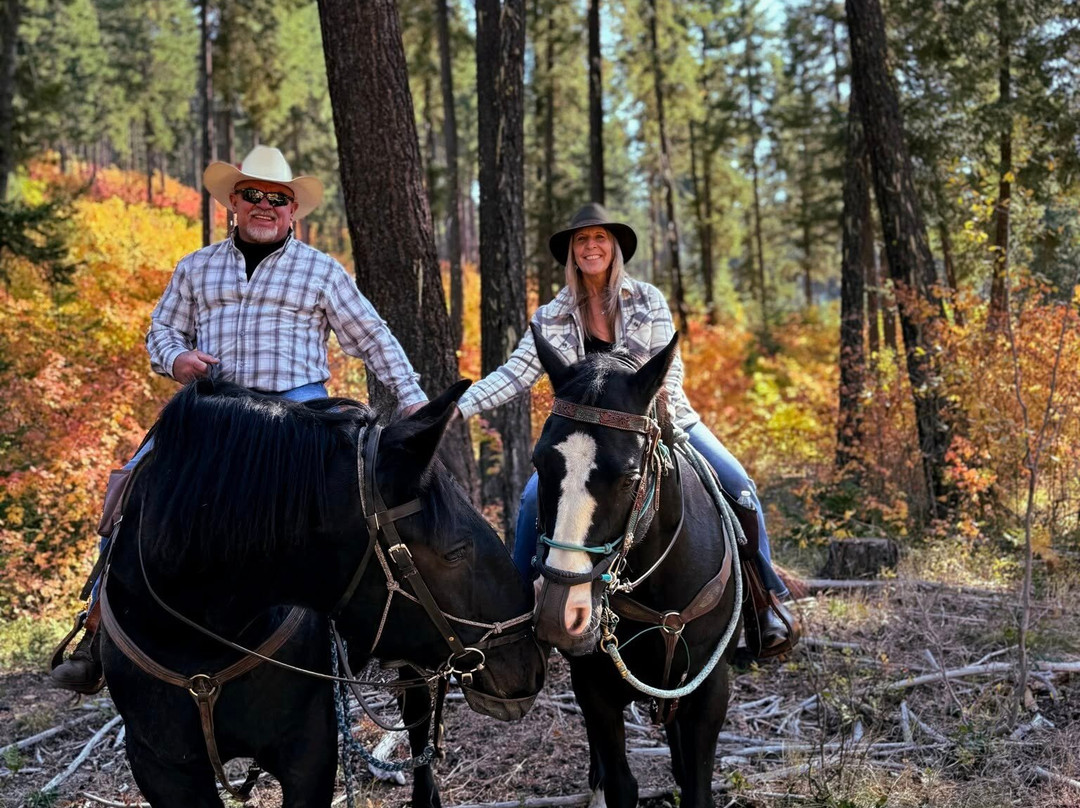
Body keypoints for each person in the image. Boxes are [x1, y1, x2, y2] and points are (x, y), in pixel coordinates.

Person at [49, 146, 428, 693]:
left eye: (277, 198)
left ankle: (366, 634)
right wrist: (177, 359)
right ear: (234, 201)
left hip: (298, 413)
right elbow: (163, 330)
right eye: (253, 194)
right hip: (215, 415)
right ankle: (96, 630)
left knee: (358, 501)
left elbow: (372, 337)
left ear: (293, 210)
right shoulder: (196, 267)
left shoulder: (322, 271)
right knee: (132, 484)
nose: (264, 205)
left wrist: (411, 397)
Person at [455, 203, 792, 651]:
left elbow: (670, 371)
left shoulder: (648, 299)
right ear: (572, 253)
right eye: (581, 240)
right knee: (533, 499)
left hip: (659, 421)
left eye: (600, 238)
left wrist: (655, 414)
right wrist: (456, 409)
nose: (590, 247)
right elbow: (515, 373)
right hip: (584, 441)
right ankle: (519, 612)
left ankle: (765, 602)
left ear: (614, 248)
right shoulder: (551, 316)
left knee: (739, 485)